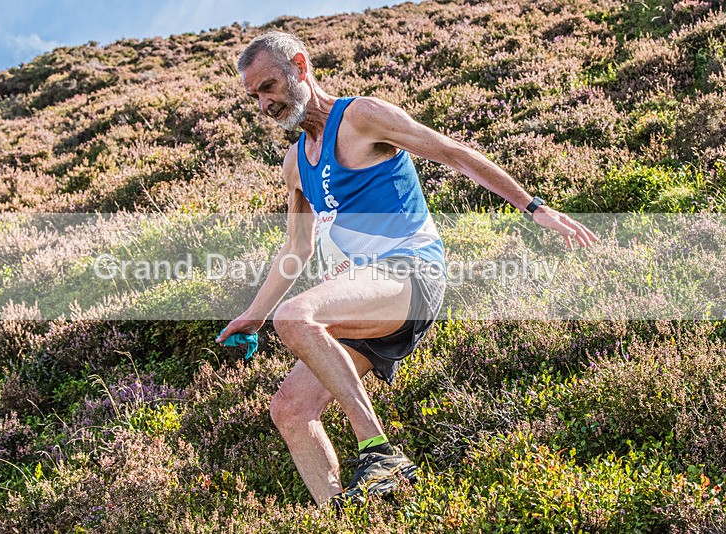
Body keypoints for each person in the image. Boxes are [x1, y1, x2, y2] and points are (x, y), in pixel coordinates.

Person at [216, 31, 598, 508]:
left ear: (300, 65)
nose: (263, 104)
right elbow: (296, 247)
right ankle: (346, 519)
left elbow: (451, 152)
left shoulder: (360, 117)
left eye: (269, 86)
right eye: (254, 96)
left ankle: (378, 452)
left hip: (410, 273)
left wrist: (533, 206)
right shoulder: (295, 162)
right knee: (291, 410)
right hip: (364, 295)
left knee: (295, 317)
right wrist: (253, 313)